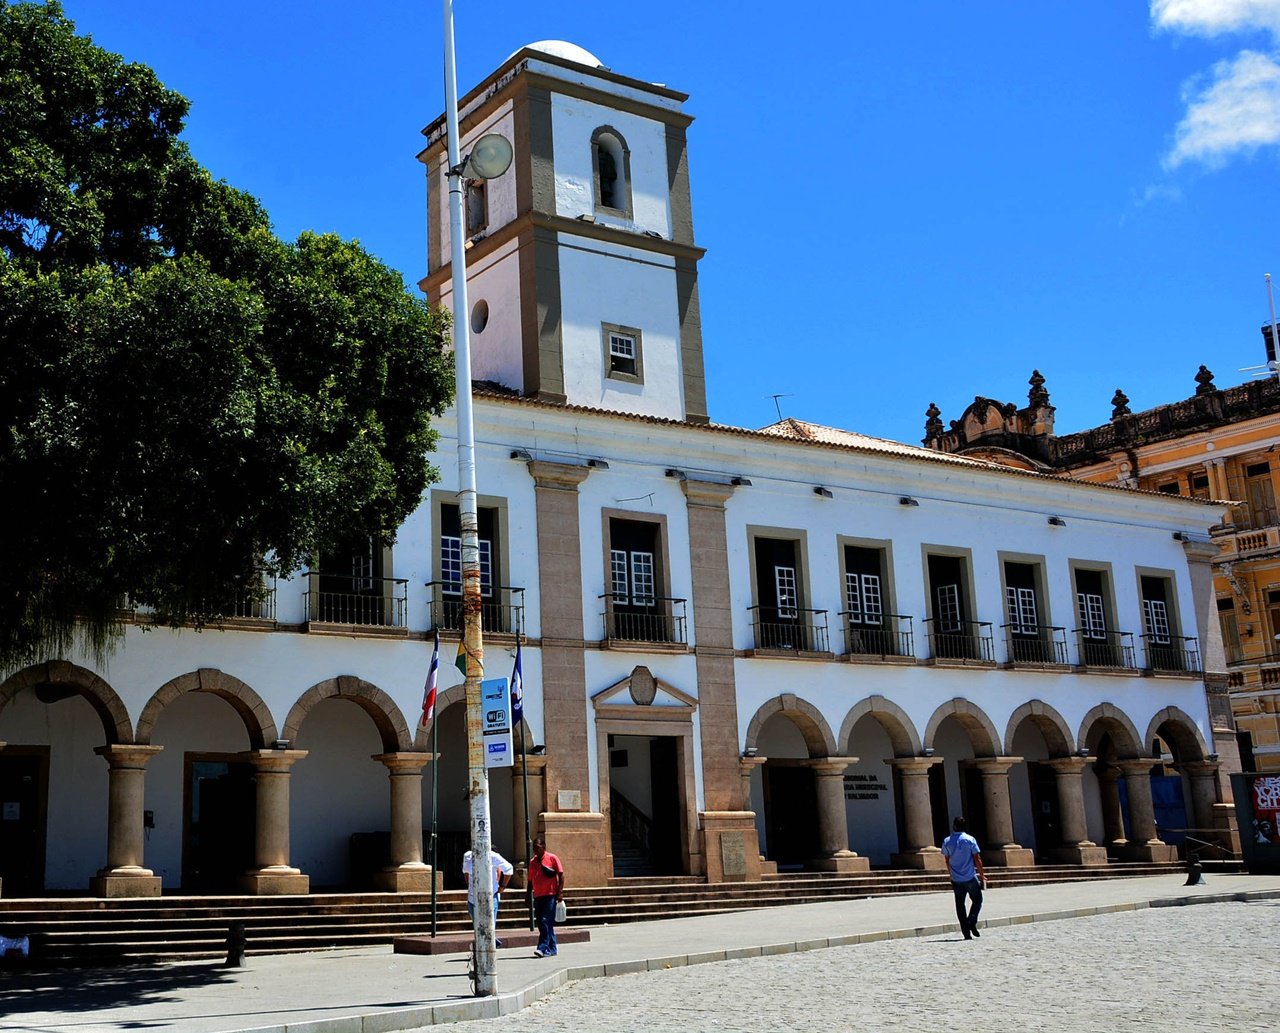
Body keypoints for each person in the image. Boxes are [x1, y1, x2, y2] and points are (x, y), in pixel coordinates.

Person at [940, 816, 986, 940]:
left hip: (956, 878)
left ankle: (966, 932)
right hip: (970, 876)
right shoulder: (970, 839)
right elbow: (977, 858)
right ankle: (971, 921)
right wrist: (982, 874)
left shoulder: (947, 841)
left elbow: (947, 859)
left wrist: (951, 873)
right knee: (977, 900)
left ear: (954, 826)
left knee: (960, 905)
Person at [462, 848, 513, 946]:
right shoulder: (467, 856)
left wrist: (502, 886)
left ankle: (489, 946)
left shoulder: (493, 856)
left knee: (489, 926)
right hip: (473, 898)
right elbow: (465, 872)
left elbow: (509, 869)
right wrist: (470, 885)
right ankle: (487, 944)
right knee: (477, 927)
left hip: (489, 897)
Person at [529, 835, 565, 958]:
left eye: (538, 848)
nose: (535, 850)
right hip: (538, 895)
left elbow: (561, 875)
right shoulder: (532, 862)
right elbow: (530, 880)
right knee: (543, 922)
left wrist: (560, 892)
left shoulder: (552, 858)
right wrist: (528, 894)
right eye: (534, 848)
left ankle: (542, 947)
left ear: (543, 847)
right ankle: (552, 948)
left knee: (545, 920)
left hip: (550, 895)